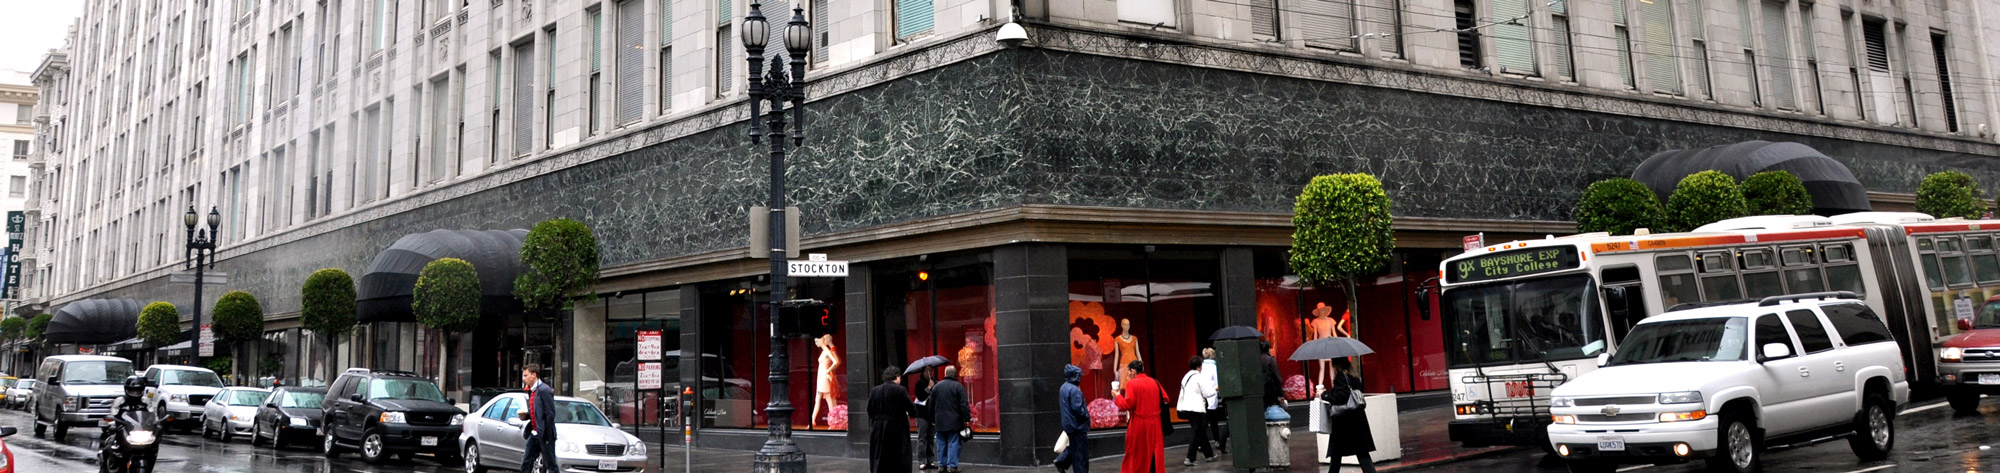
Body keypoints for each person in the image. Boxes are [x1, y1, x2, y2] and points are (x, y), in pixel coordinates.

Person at [1320, 358, 1377, 473]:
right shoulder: (1354, 376)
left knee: (1336, 454)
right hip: (1357, 420)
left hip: (1345, 423)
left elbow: (1341, 396)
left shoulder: (1341, 377)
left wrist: (1325, 394)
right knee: (1361, 453)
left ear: (1336, 365)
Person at [1112, 360, 1165, 473]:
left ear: (1133, 371)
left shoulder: (1132, 384)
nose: (1128, 375)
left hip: (1139, 423)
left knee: (1138, 453)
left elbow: (1127, 404)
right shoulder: (1154, 382)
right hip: (1155, 422)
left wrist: (1117, 396)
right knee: (1155, 451)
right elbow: (1165, 398)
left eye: (1129, 372)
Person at [868, 366, 915, 473]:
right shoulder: (900, 390)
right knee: (897, 459)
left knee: (879, 457)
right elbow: (912, 410)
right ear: (897, 376)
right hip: (896, 429)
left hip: (878, 429)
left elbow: (870, 410)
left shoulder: (875, 390)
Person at [1177, 356, 1217, 465]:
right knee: (1197, 433)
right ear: (1199, 367)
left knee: (1200, 432)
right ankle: (1190, 458)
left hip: (1187, 408)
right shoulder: (1199, 377)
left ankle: (1209, 454)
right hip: (1197, 408)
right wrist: (1215, 389)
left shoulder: (1186, 377)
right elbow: (1207, 393)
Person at [930, 366, 971, 473]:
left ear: (945, 374)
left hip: (940, 420)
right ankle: (952, 466)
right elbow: (963, 404)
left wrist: (932, 419)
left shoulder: (936, 387)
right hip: (955, 421)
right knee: (954, 442)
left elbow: (931, 405)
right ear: (955, 374)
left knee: (941, 442)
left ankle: (941, 465)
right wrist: (966, 418)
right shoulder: (958, 387)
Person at [519, 364, 559, 473]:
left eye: (526, 375)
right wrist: (526, 416)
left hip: (544, 435)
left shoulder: (544, 390)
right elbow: (537, 412)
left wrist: (545, 434)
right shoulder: (532, 391)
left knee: (550, 464)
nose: (524, 379)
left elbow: (550, 414)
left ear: (534, 375)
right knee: (526, 462)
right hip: (534, 433)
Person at [1054, 364, 1090, 473]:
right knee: (1080, 454)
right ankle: (1063, 462)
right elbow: (1078, 408)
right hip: (1078, 425)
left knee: (1074, 448)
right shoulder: (1075, 390)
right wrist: (1086, 416)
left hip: (1069, 425)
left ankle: (1061, 461)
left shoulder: (1063, 387)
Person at [813, 334, 843, 428]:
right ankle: (812, 420)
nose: (816, 343)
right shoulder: (823, 351)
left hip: (824, 377)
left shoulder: (827, 351)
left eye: (817, 341)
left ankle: (833, 422)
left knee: (829, 400)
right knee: (817, 400)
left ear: (822, 340)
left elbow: (836, 362)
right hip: (821, 376)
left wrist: (828, 371)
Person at [1200, 348, 1227, 455]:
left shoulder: (1201, 367)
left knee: (1204, 422)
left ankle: (1202, 442)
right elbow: (1217, 383)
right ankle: (1217, 441)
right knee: (1213, 421)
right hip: (1211, 397)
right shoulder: (1214, 368)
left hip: (1202, 398)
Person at [914, 371, 937, 470]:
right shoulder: (919, 384)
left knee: (931, 438)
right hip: (922, 414)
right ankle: (922, 461)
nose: (929, 373)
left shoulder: (935, 383)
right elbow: (921, 397)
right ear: (923, 372)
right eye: (927, 370)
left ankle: (930, 460)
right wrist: (928, 388)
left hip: (932, 415)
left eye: (931, 370)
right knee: (922, 438)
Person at [1261, 340, 1283, 408]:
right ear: (1268, 349)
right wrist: (1280, 393)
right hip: (1271, 391)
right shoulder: (1270, 360)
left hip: (1259, 392)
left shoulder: (1255, 360)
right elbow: (1277, 377)